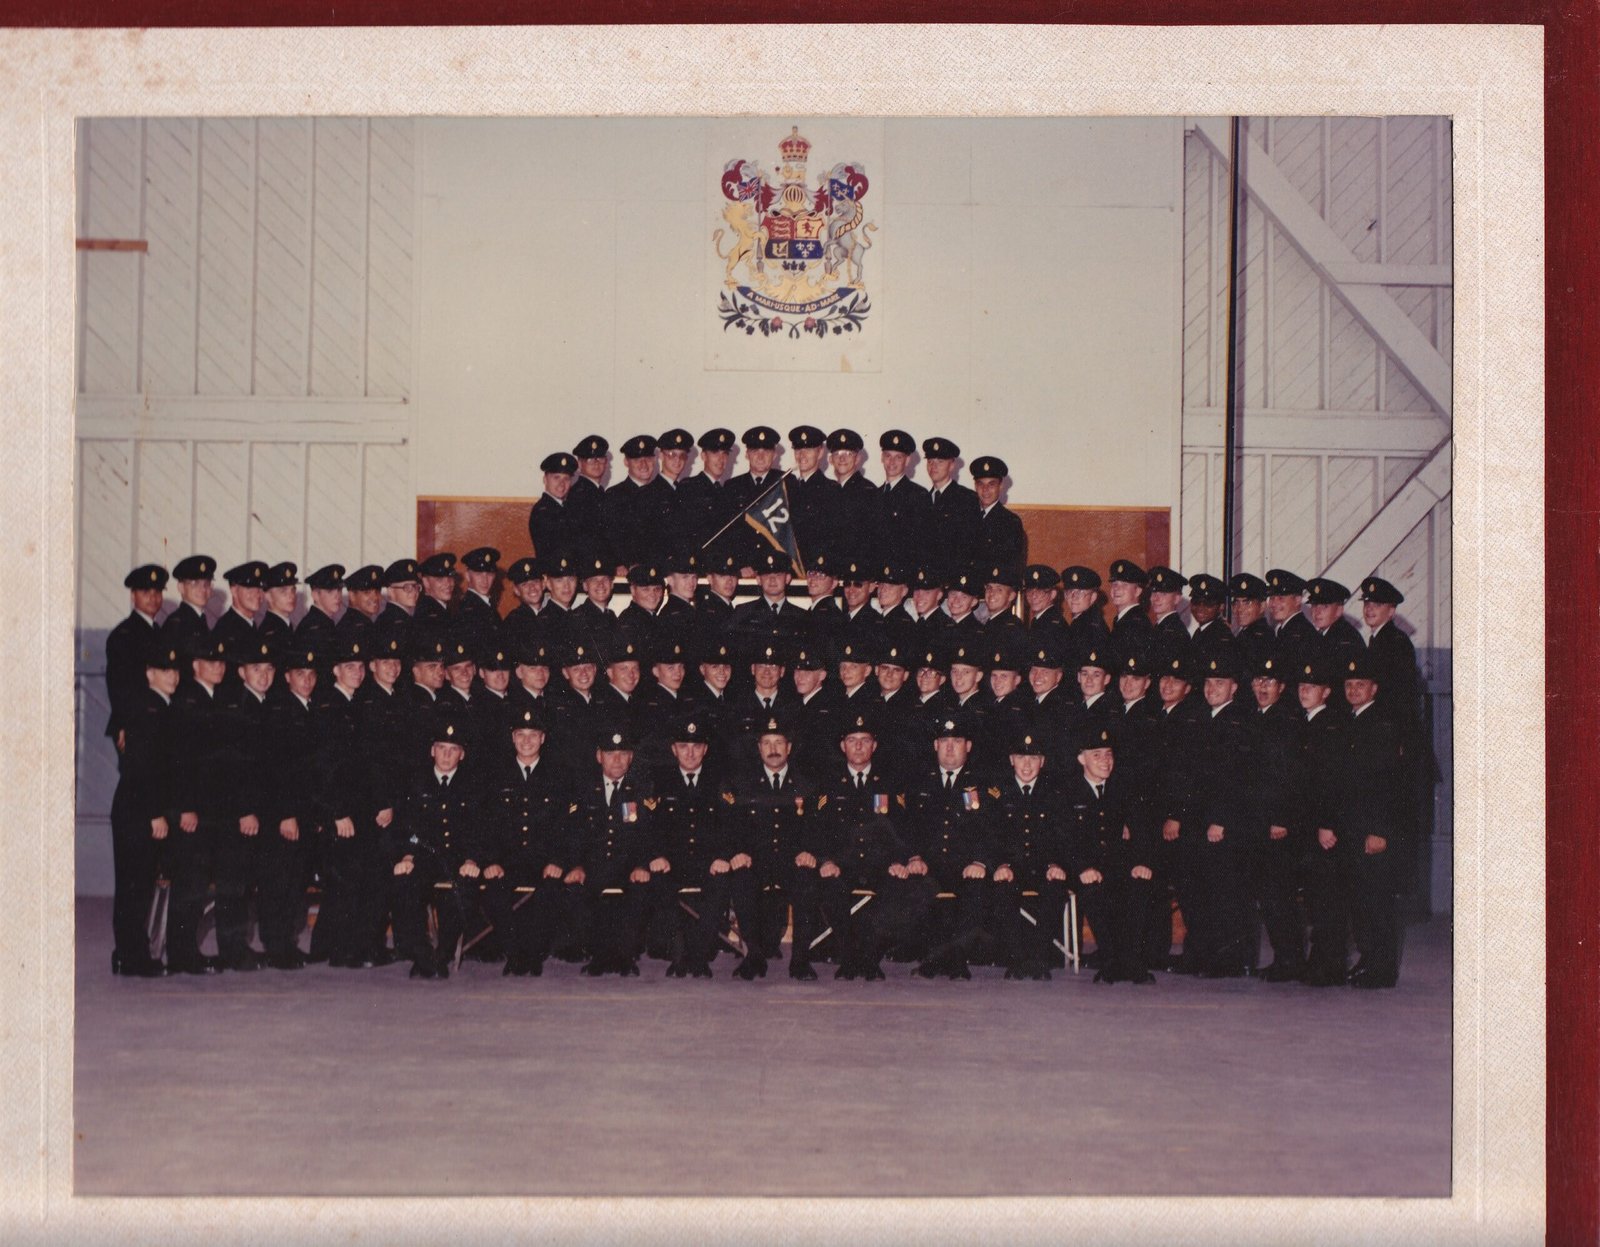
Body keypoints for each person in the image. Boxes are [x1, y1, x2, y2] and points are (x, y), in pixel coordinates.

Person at [722, 713, 825, 981]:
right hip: (756, 860)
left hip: (792, 861)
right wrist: (737, 853)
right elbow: (731, 825)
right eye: (767, 743)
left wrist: (811, 851)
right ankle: (754, 957)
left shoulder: (808, 784)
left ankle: (800, 960)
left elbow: (818, 825)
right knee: (742, 878)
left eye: (779, 742)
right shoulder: (741, 784)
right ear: (758, 748)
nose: (773, 749)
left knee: (806, 879)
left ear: (789, 747)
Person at [816, 710, 916, 980]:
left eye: (865, 740)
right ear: (843, 746)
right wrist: (826, 860)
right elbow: (818, 828)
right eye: (852, 740)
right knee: (829, 886)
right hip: (843, 863)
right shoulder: (828, 783)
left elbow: (903, 828)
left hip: (880, 863)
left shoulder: (891, 783)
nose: (858, 746)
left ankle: (871, 957)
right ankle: (848, 956)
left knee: (899, 887)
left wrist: (900, 861)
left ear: (874, 745)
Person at [479, 704, 577, 978]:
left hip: (543, 860)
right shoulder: (495, 774)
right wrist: (490, 861)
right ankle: (514, 953)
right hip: (507, 860)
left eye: (533, 735)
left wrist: (558, 861)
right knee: (493, 891)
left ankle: (533, 955)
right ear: (512, 737)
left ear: (542, 738)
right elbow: (485, 823)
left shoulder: (559, 775)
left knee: (551, 891)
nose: (526, 741)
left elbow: (568, 826)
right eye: (521, 734)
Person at [107, 636, 183, 976]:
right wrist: (154, 814)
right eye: (164, 670)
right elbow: (140, 767)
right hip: (138, 811)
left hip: (143, 809)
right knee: (134, 887)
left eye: (175, 670)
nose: (173, 676)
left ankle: (128, 954)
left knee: (138, 886)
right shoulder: (147, 710)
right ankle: (132, 957)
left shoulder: (162, 707)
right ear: (149, 674)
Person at [392, 711, 485, 980]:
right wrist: (407, 854)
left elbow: (481, 828)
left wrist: (472, 859)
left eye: (453, 750)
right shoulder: (415, 781)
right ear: (432, 750)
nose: (446, 755)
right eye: (441, 748)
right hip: (424, 856)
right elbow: (405, 825)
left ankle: (442, 955)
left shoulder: (474, 785)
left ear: (462, 755)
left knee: (463, 889)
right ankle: (422, 955)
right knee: (405, 885)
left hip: (458, 859)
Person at [1065, 722, 1156, 985]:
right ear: (1081, 759)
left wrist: (1141, 862)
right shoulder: (1067, 791)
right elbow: (1063, 839)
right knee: (1094, 889)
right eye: (1096, 755)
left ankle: (1131, 960)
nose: (1105, 761)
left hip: (1117, 863)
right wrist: (1082, 868)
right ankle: (1110, 960)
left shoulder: (1122, 788)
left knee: (1140, 884)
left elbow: (1141, 828)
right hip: (1080, 866)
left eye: (1108, 754)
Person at [906, 710, 993, 980]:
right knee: (917, 885)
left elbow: (993, 828)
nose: (950, 748)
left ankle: (955, 958)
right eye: (944, 741)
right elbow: (907, 826)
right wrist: (914, 856)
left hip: (966, 864)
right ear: (935, 745)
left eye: (957, 741)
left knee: (975, 889)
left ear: (968, 746)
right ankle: (932, 957)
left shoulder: (984, 783)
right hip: (929, 863)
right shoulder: (919, 780)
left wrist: (980, 861)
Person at [647, 713, 732, 978]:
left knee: (720, 884)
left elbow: (731, 823)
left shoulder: (720, 780)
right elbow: (649, 825)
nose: (690, 753)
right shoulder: (659, 781)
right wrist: (657, 855)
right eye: (684, 746)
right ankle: (678, 953)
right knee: (660, 880)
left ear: (705, 749)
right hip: (673, 861)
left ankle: (699, 956)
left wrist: (723, 856)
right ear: (674, 749)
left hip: (709, 861)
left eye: (696, 746)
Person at [571, 726, 657, 976]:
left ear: (631, 757)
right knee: (575, 890)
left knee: (640, 889)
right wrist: (576, 865)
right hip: (593, 866)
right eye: (610, 754)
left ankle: (625, 955)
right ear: (599, 756)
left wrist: (642, 865)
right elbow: (574, 833)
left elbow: (648, 832)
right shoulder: (584, 789)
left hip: (627, 866)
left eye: (623, 754)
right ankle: (597, 954)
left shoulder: (643, 789)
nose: (617, 760)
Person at [990, 728, 1070, 980]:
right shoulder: (996, 793)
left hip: (1043, 867)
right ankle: (1016, 958)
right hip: (1011, 866)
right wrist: (1000, 864)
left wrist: (1056, 863)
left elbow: (1063, 836)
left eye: (1033, 758)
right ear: (1011, 760)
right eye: (1021, 758)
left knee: (1055, 888)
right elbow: (990, 834)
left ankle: (1038, 958)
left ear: (1042, 761)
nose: (1027, 765)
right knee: (1002, 889)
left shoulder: (1055, 793)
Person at [105, 564, 168, 753]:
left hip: (157, 719)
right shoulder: (123, 634)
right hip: (135, 724)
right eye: (145, 592)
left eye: (157, 592)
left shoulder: (159, 633)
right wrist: (124, 724)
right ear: (133, 596)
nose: (153, 598)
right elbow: (118, 684)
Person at [921, 437, 980, 576]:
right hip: (926, 580)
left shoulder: (966, 498)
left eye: (940, 462)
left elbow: (968, 547)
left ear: (952, 465)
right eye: (930, 461)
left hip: (952, 579)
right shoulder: (922, 498)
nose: (933, 466)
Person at [874, 429, 930, 571]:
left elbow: (920, 545)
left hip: (902, 577)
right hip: (876, 577)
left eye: (898, 457)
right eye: (888, 456)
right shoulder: (873, 495)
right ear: (882, 458)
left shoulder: (918, 495)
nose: (892, 462)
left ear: (908, 460)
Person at [970, 456, 1026, 577]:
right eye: (980, 484)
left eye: (991, 484)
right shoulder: (966, 516)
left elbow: (1012, 567)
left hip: (993, 585)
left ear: (1001, 486)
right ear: (975, 486)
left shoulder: (1011, 522)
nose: (985, 490)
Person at [160, 554, 217, 651]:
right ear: (181, 587)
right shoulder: (176, 624)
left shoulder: (199, 618)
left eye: (206, 584)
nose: (203, 589)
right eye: (195, 583)